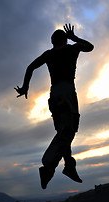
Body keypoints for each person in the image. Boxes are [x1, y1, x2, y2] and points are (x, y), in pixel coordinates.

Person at [14, 24, 94, 189]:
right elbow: (90, 47)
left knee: (63, 131)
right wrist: (75, 38)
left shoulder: (49, 54)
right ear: (65, 39)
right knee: (68, 131)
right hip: (67, 92)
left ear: (52, 41)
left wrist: (25, 87)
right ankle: (48, 166)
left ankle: (69, 166)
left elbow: (30, 67)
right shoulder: (72, 49)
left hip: (54, 94)